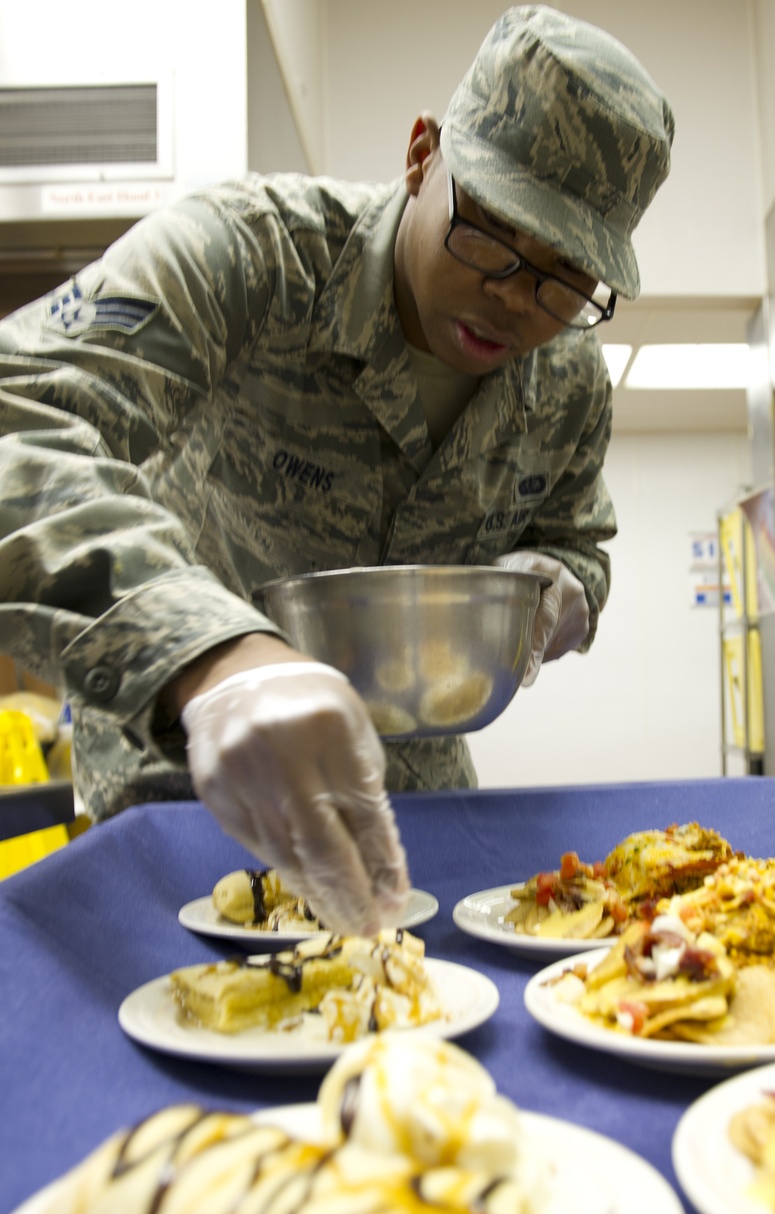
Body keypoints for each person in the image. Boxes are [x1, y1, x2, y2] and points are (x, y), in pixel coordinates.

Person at [0, 5, 674, 934]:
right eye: (493, 234)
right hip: (194, 803)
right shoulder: (250, 255)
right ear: (421, 157)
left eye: (564, 281)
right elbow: (18, 417)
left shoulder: (567, 384)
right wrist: (213, 656)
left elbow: (573, 539)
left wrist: (559, 592)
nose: (514, 300)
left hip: (421, 818)